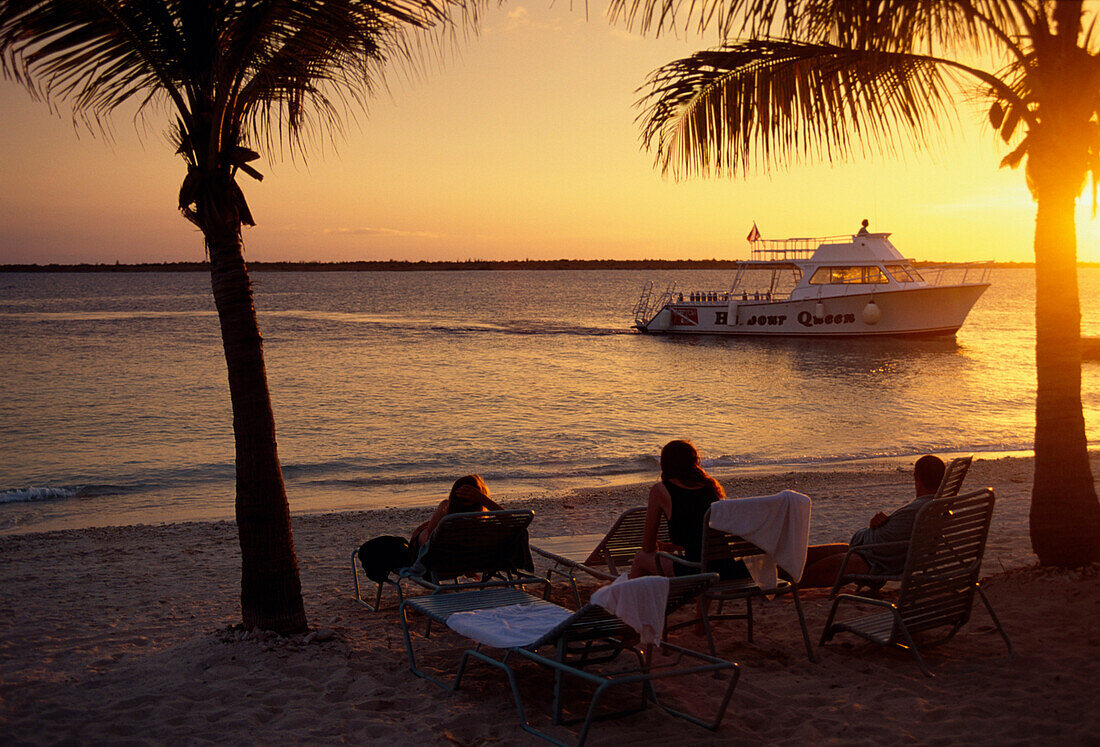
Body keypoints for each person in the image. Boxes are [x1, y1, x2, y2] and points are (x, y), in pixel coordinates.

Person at [798, 455, 947, 588]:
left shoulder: (921, 510)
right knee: (836, 551)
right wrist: (885, 523)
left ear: (916, 477)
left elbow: (876, 542)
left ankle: (791, 580)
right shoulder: (939, 506)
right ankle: (785, 564)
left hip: (876, 562)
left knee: (843, 557)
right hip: (887, 557)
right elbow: (896, 535)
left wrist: (870, 530)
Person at [630, 440, 747, 580]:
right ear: (694, 461)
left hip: (695, 570)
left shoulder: (660, 490)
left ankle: (632, 601)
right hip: (727, 568)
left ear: (664, 464)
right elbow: (705, 540)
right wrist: (674, 547)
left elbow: (648, 547)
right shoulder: (711, 487)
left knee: (641, 558)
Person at [357, 474, 502, 583]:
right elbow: (511, 517)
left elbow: (430, 542)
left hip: (431, 566)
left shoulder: (448, 523)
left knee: (381, 547)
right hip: (463, 563)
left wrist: (444, 505)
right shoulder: (487, 528)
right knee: (396, 542)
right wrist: (482, 499)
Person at [409, 474, 503, 553]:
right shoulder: (485, 528)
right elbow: (508, 517)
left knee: (423, 531)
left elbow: (430, 540)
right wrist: (483, 499)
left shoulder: (446, 510)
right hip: (469, 557)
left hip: (439, 556)